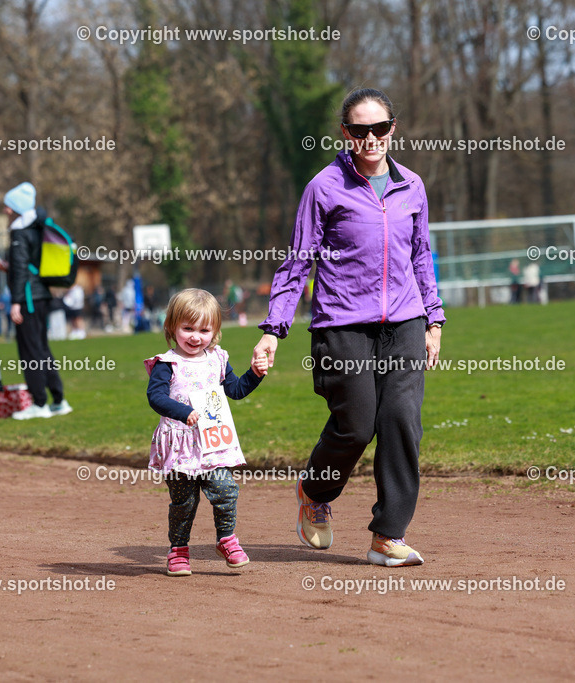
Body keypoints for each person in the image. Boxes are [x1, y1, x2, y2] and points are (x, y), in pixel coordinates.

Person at [253, 88, 445, 567]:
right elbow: (298, 260)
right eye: (360, 130)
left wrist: (434, 318)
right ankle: (314, 492)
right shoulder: (324, 187)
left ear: (393, 129)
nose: (371, 138)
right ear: (346, 133)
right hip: (342, 323)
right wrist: (273, 329)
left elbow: (421, 254)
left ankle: (388, 535)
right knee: (357, 426)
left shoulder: (412, 185)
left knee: (401, 421)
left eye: (379, 128)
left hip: (405, 320)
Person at [145, 289, 268, 576]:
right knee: (184, 502)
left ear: (215, 331)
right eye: (188, 328)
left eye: (204, 330)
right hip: (180, 444)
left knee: (225, 490)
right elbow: (155, 397)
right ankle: (178, 550)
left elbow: (235, 390)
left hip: (212, 442)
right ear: (171, 327)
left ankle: (226, 539)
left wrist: (255, 374)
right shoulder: (167, 364)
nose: (195, 337)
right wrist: (183, 412)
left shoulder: (217, 359)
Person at [0, 182, 72, 419]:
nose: (6, 210)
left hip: (28, 299)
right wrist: (10, 267)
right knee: (42, 348)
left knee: (30, 352)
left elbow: (22, 269)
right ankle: (58, 400)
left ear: (17, 208)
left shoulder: (20, 231)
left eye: (9, 206)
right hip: (41, 295)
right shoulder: (39, 228)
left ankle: (39, 404)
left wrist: (16, 302)